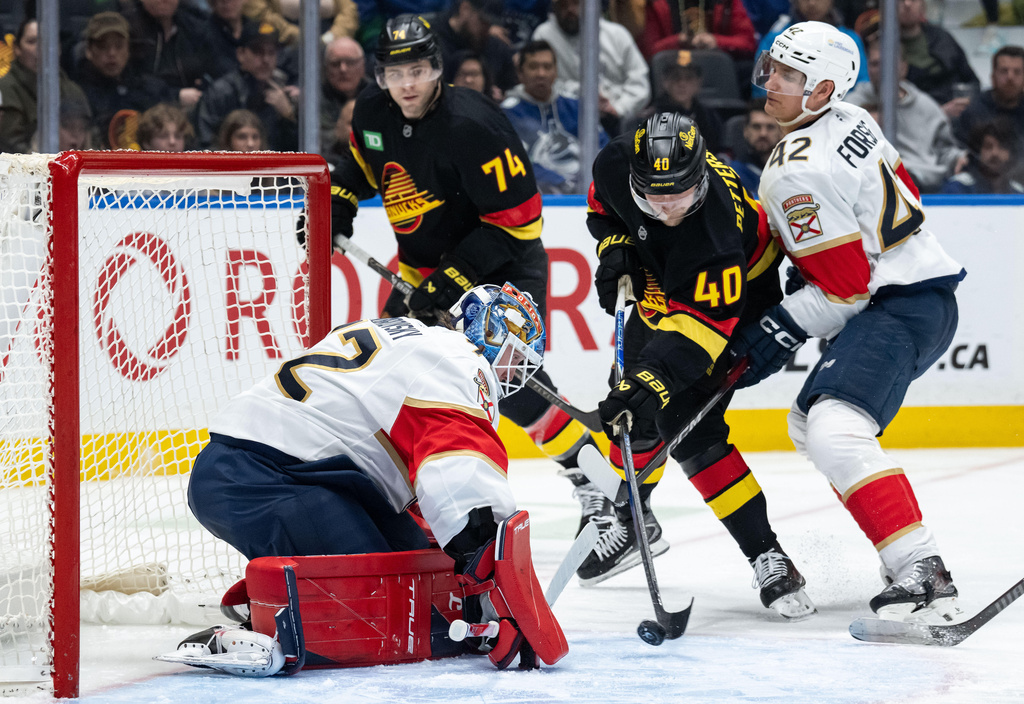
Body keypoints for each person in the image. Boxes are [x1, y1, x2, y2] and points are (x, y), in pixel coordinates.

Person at [176, 283, 566, 673]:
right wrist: (494, 582)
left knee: (414, 575)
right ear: (493, 341)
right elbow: (461, 474)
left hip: (287, 471)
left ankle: (280, 592)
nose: (514, 374)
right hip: (259, 476)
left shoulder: (408, 333)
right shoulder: (461, 363)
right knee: (386, 621)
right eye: (515, 360)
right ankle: (266, 627)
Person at [326, 14, 607, 548]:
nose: (407, 84)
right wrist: (338, 201)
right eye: (394, 73)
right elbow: (367, 164)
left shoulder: (475, 126)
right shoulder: (371, 110)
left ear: (436, 68)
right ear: (379, 76)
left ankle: (595, 481)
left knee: (509, 389)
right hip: (425, 274)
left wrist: (452, 278)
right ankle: (407, 501)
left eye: (418, 70)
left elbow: (521, 222)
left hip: (502, 270)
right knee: (394, 382)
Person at [742, 21, 966, 623]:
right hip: (918, 296)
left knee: (834, 431)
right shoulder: (855, 118)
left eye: (790, 75)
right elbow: (904, 191)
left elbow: (844, 293)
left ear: (821, 91)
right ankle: (903, 555)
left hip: (897, 304)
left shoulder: (793, 170)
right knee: (804, 423)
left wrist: (775, 327)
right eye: (775, 67)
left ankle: (920, 565)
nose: (772, 82)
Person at [582, 111, 814, 620]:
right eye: (655, 196)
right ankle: (632, 518)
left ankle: (768, 556)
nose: (667, 208)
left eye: (679, 196)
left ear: (701, 178)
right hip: (661, 282)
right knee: (631, 412)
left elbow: (700, 331)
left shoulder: (714, 232)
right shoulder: (616, 162)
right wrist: (616, 246)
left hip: (734, 296)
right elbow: (603, 209)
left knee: (689, 426)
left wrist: (654, 380)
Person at [846, 39, 965, 194]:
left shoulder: (926, 106)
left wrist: (958, 158)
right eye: (875, 64)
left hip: (922, 186)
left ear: (903, 67)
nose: (881, 70)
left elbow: (945, 151)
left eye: (887, 63)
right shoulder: (849, 107)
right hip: (867, 186)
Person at [501, 39, 607, 194]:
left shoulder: (575, 107)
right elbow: (515, 163)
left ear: (556, 72)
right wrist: (561, 183)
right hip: (539, 197)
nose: (541, 73)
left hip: (586, 190)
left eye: (547, 67)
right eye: (533, 67)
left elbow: (604, 149)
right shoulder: (508, 113)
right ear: (520, 73)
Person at [532, 0, 650, 131]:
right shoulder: (544, 36)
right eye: (563, 5)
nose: (570, 10)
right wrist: (584, 99)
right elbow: (543, 84)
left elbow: (640, 84)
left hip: (620, 120)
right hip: (568, 120)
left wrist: (619, 108)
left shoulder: (617, 34)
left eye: (576, 3)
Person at [76, 11, 174, 148]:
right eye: (103, 46)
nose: (112, 53)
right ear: (89, 50)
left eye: (119, 46)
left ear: (128, 48)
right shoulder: (78, 94)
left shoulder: (152, 89)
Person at [195, 22, 299, 150]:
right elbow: (205, 144)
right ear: (241, 54)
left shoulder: (282, 93)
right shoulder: (221, 92)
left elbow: (296, 151)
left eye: (271, 52)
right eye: (258, 52)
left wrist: (288, 116)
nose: (266, 59)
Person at [0, 18, 91, 154]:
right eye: (32, 41)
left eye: (47, 41)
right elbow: (11, 146)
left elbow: (90, 137)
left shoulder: (72, 90)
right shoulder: (5, 88)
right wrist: (44, 167)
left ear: (58, 49)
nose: (40, 48)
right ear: (17, 48)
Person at [894, 0, 978, 118]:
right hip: (913, 119)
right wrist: (939, 112)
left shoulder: (942, 37)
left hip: (957, 114)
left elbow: (971, 80)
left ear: (922, 6)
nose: (907, 4)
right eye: (900, 0)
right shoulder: (882, 46)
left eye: (913, 0)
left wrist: (966, 102)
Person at [434, 0, 518, 96]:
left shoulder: (496, 47)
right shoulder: (431, 41)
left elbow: (509, 88)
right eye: (482, 21)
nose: (486, 28)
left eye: (491, 24)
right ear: (465, 8)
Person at [641, 57, 723, 154]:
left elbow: (719, 150)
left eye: (688, 78)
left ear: (698, 82)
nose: (682, 84)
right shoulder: (652, 117)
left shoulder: (709, 116)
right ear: (665, 82)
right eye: (676, 77)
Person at [954, 46, 1024, 154]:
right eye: (1004, 71)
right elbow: (962, 154)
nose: (1010, 77)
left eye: (1017, 72)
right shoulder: (974, 112)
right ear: (993, 77)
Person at [942, 119, 1024, 194]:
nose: (994, 153)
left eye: (1002, 147)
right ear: (978, 152)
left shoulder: (1017, 192)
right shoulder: (959, 186)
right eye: (988, 147)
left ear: (1011, 153)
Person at [320, 36, 368, 153]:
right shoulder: (313, 99)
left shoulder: (376, 95)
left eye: (350, 62)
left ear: (362, 66)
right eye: (335, 64)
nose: (343, 69)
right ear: (326, 68)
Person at [727, 99, 783, 198]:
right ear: (746, 131)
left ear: (781, 132)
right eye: (756, 127)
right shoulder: (733, 173)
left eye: (770, 127)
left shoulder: (791, 170)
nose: (763, 133)